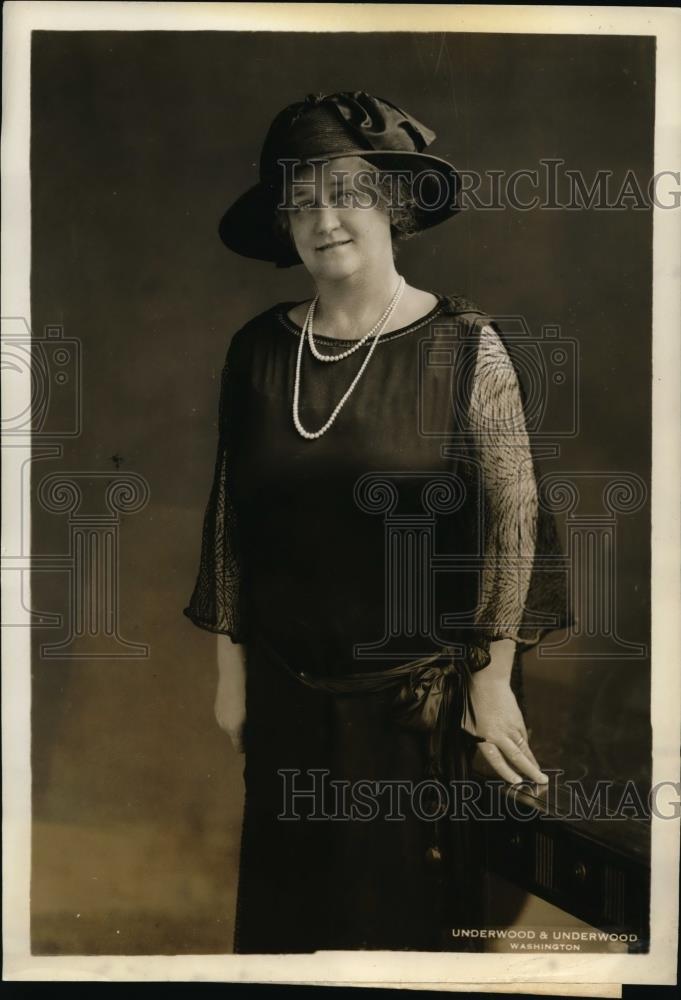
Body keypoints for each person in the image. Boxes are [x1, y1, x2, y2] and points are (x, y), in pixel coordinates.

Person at [183, 91, 570, 954]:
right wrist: (230, 671)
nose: (324, 219)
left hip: (413, 715)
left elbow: (514, 524)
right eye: (300, 200)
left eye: (346, 192)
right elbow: (231, 524)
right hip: (285, 697)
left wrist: (491, 678)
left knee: (399, 941)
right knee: (288, 941)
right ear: (283, 224)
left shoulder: (466, 345)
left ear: (393, 202)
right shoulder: (256, 352)